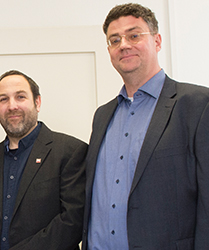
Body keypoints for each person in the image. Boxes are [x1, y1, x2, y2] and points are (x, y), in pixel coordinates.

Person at [83, 3, 209, 249]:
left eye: (134, 35)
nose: (124, 45)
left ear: (157, 41)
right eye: (114, 39)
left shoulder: (197, 105)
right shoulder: (102, 115)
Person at [0, 70, 87, 250]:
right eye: (3, 99)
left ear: (37, 102)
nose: (12, 106)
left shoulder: (70, 152)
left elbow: (72, 220)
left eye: (20, 97)